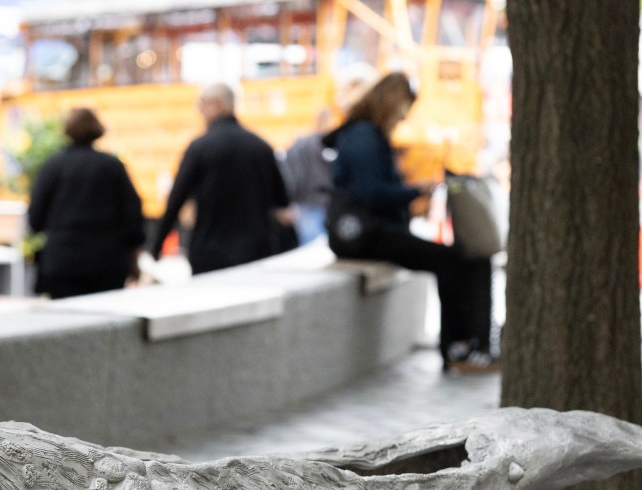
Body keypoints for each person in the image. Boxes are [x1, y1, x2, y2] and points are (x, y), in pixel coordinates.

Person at [324, 73, 498, 374]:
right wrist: (415, 190)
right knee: (451, 260)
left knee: (456, 258)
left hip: (367, 232)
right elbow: (371, 192)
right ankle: (458, 346)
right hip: (366, 235)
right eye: (404, 108)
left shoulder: (362, 133)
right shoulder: (365, 135)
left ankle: (463, 345)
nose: (404, 117)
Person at [150, 83, 292, 275]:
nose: (199, 112)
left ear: (218, 104)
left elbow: (176, 199)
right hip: (255, 252)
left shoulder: (199, 147)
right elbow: (282, 200)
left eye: (202, 105)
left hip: (209, 252)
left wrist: (156, 246)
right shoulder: (261, 146)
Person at [27, 108, 145, 299]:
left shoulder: (54, 166)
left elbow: (35, 219)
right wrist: (134, 256)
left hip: (63, 262)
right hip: (106, 262)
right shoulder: (112, 166)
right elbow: (133, 215)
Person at [282, 110, 334, 245]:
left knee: (309, 248)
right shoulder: (319, 144)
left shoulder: (301, 144)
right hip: (317, 202)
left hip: (306, 203)